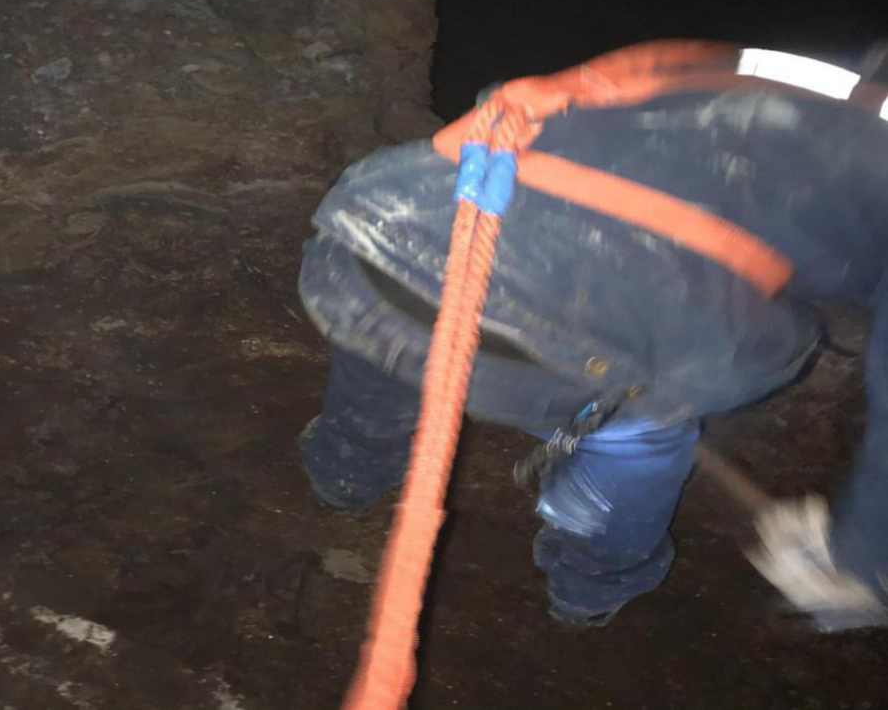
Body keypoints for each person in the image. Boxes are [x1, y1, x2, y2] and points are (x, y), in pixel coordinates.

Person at [297, 40, 888, 629]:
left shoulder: (751, 71)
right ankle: (590, 585)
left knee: (396, 327)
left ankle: (345, 472)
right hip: (560, 339)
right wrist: (861, 556)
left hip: (381, 232)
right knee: (647, 428)